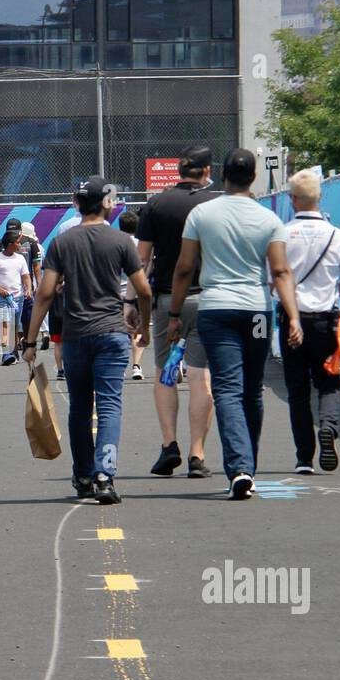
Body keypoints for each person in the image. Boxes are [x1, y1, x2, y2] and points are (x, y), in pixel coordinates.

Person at [167, 149, 303, 501]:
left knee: (227, 386)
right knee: (252, 387)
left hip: (216, 311)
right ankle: (248, 464)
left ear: (223, 176)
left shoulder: (202, 213)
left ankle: (239, 467)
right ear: (253, 177)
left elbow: (184, 267)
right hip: (257, 313)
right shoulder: (269, 219)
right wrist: (293, 316)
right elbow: (280, 271)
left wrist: (174, 313)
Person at [25, 176, 150, 505]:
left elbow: (45, 293)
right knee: (109, 406)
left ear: (78, 204)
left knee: (80, 407)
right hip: (112, 333)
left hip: (76, 335)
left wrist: (28, 341)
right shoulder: (121, 241)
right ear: (107, 203)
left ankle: (82, 475)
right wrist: (142, 321)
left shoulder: (62, 243)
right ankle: (105, 476)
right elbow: (144, 289)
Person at [138, 145, 219, 479]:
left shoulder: (156, 204)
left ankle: (169, 444)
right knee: (201, 376)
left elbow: (141, 260)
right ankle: (197, 454)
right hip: (209, 299)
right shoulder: (217, 203)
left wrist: (133, 305)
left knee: (165, 372)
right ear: (206, 170)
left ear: (179, 170)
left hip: (167, 301)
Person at [278, 170, 340, 474]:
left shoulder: (282, 234)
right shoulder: (338, 235)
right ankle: (328, 426)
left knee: (297, 389)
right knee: (329, 381)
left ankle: (304, 457)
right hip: (327, 320)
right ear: (319, 198)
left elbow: (274, 278)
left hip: (291, 320)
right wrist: (330, 290)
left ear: (293, 199)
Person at [0, 231, 31, 365]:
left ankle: (13, 351)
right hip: (1, 296)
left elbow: (26, 276)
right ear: (10, 244)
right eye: (17, 242)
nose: (19, 245)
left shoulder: (20, 258)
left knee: (15, 326)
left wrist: (28, 289)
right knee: (5, 323)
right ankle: (6, 353)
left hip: (18, 298)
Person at [117, 210, 146, 380]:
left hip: (117, 293)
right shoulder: (141, 244)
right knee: (137, 329)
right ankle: (136, 365)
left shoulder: (115, 243)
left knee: (120, 330)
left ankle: (120, 366)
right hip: (136, 291)